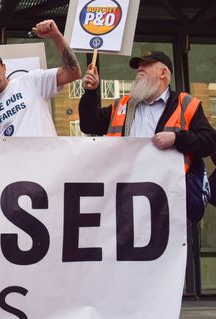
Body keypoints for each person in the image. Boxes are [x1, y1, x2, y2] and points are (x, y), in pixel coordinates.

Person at [79, 51, 216, 221]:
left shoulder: (186, 103)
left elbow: (209, 142)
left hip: (169, 200)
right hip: (125, 198)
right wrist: (90, 93)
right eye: (138, 66)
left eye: (146, 65)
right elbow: (89, 124)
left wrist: (177, 139)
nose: (139, 69)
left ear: (163, 73)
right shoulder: (124, 105)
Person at [0, 19, 81, 137]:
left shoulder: (31, 81)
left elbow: (73, 72)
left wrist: (56, 36)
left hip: (47, 154)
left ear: (4, 68)